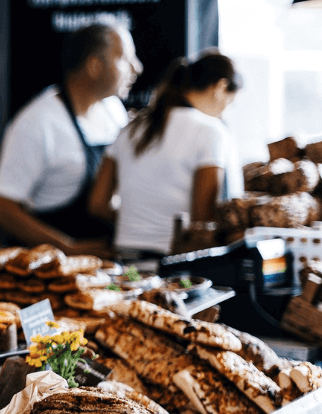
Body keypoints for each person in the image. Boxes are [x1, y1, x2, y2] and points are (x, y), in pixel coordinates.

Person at [0, 22, 143, 257]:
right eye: (125, 58)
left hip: (107, 263)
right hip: (51, 270)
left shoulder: (113, 110)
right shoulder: (37, 123)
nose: (137, 68)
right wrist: (67, 248)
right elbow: (2, 209)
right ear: (94, 65)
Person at [88, 51, 242, 264]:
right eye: (231, 102)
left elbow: (97, 204)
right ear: (221, 88)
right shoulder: (211, 132)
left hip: (124, 259)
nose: (227, 111)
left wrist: (137, 221)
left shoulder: (130, 128)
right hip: (173, 265)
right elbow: (202, 221)